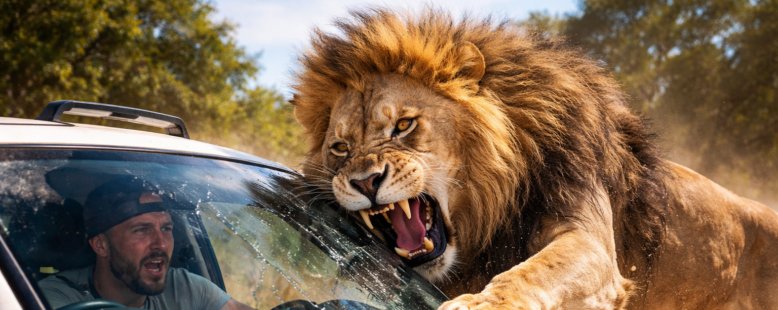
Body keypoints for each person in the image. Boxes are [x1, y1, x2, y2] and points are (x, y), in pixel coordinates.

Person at [38, 178, 254, 310]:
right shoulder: (51, 298)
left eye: (166, 229)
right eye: (141, 230)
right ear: (101, 245)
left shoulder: (183, 287)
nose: (160, 243)